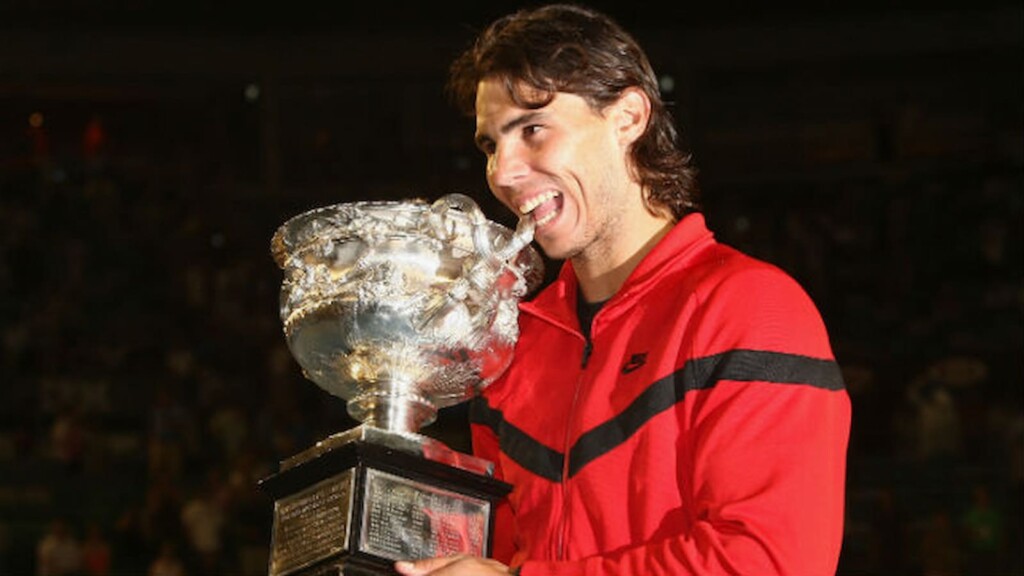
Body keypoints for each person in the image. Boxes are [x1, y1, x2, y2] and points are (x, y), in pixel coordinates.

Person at [396, 4, 851, 575]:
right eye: (490, 145)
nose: (503, 173)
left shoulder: (750, 308)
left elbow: (772, 561)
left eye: (532, 129)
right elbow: (501, 552)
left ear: (628, 117)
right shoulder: (513, 346)